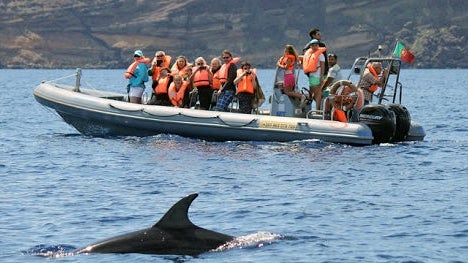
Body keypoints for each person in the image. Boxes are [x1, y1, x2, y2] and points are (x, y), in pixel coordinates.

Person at [299, 39, 326, 111]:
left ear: (318, 46)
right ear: (310, 46)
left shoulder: (320, 55)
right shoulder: (310, 54)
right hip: (313, 76)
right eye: (313, 45)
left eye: (316, 45)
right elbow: (304, 62)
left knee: (315, 94)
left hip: (315, 76)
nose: (315, 47)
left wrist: (321, 77)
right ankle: (317, 109)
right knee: (316, 94)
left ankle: (316, 108)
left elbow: (322, 66)